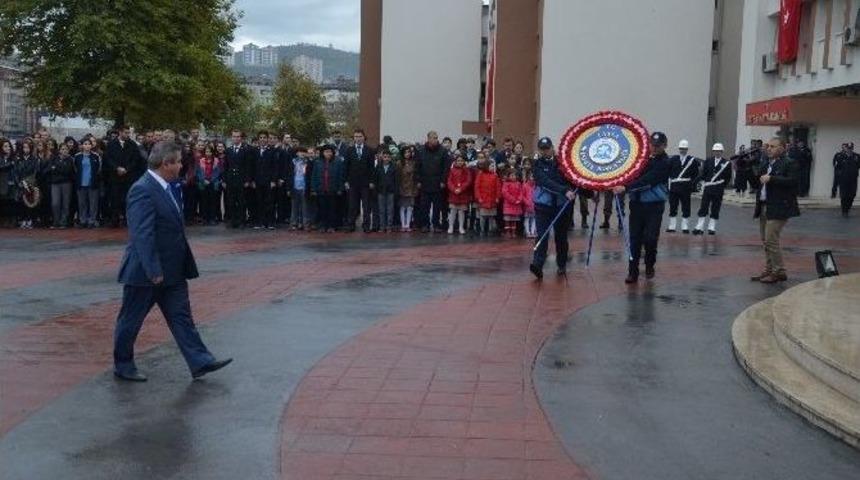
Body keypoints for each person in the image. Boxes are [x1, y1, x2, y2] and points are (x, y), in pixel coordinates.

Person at [113, 141, 232, 382]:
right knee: (131, 320)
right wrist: (153, 269)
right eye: (177, 161)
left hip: (173, 271)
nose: (181, 166)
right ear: (165, 164)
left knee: (181, 317)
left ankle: (200, 360)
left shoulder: (168, 187)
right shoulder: (142, 189)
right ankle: (123, 364)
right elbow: (142, 234)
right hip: (146, 272)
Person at [612, 132, 671, 284]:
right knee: (634, 239)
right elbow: (629, 172)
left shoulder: (665, 162)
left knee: (650, 238)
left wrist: (625, 187)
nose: (654, 148)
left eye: (658, 146)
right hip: (637, 205)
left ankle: (650, 264)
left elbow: (647, 180)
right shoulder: (641, 159)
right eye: (652, 145)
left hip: (654, 206)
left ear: (665, 146)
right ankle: (633, 272)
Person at [751, 138, 800, 284]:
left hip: (780, 206)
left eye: (773, 146)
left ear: (782, 148)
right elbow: (756, 180)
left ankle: (778, 271)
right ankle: (769, 268)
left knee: (771, 240)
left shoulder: (789, 163)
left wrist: (771, 178)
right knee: (765, 241)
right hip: (764, 205)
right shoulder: (766, 163)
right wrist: (747, 167)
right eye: (768, 146)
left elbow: (792, 181)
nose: (769, 149)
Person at [529, 137, 579, 278]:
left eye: (547, 148)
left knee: (561, 237)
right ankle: (537, 265)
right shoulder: (537, 164)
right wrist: (564, 190)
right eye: (542, 149)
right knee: (542, 235)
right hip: (543, 206)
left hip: (562, 206)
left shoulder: (563, 163)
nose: (545, 152)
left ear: (552, 147)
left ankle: (561, 264)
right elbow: (544, 181)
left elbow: (574, 180)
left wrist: (590, 193)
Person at [105, 126, 144, 227]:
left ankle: (127, 219)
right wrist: (117, 168)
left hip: (128, 176)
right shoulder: (111, 144)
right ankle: (115, 219)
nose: (128, 135)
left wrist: (127, 169)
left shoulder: (132, 145)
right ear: (120, 132)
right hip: (115, 176)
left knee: (127, 198)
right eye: (126, 133)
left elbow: (136, 159)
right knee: (115, 198)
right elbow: (108, 158)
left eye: (129, 133)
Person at [693, 143, 732, 235]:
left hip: (718, 188)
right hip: (708, 187)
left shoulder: (726, 163)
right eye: (715, 151)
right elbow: (704, 173)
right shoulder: (708, 161)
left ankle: (711, 227)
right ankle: (699, 227)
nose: (717, 152)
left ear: (722, 152)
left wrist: (721, 185)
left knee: (715, 208)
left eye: (719, 151)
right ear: (713, 151)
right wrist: (699, 180)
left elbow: (728, 177)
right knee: (704, 207)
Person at [416, 131, 451, 233]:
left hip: (438, 183)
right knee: (424, 206)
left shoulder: (443, 151)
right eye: (434, 138)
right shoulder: (421, 150)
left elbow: (446, 168)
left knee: (437, 206)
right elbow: (417, 167)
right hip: (424, 182)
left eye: (436, 138)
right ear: (428, 138)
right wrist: (418, 180)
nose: (436, 140)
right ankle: (425, 224)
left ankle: (436, 224)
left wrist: (443, 181)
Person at [344, 129, 377, 232]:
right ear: (353, 138)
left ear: (364, 137)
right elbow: (346, 167)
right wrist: (346, 181)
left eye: (360, 136)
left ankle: (366, 226)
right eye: (356, 137)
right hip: (353, 182)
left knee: (366, 206)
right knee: (352, 205)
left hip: (365, 183)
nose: (358, 138)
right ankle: (351, 225)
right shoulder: (349, 150)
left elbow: (372, 167)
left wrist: (372, 181)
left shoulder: (370, 150)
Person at [666, 139, 699, 233]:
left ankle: (685, 227)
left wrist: (690, 183)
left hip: (685, 187)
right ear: (678, 149)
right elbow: (668, 172)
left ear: (687, 149)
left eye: (684, 148)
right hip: (674, 187)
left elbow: (695, 173)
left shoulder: (692, 160)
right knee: (673, 206)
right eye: (681, 148)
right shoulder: (673, 159)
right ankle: (672, 226)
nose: (682, 150)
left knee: (686, 206)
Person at [311, 144, 345, 233]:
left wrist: (340, 188)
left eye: (330, 151)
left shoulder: (338, 162)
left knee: (332, 209)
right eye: (326, 152)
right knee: (322, 209)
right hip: (321, 189)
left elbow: (341, 176)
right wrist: (313, 189)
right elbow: (314, 176)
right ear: (322, 153)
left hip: (333, 189)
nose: (328, 153)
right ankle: (323, 226)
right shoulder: (317, 162)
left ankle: (331, 226)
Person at [224, 130, 254, 229]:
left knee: (242, 201)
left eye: (238, 137)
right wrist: (224, 180)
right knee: (231, 201)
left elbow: (248, 166)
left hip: (241, 179)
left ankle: (242, 221)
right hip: (231, 179)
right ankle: (233, 220)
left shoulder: (246, 150)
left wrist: (247, 180)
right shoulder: (228, 150)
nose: (236, 138)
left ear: (241, 138)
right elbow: (226, 166)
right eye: (234, 136)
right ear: (231, 138)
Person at [74, 138, 102, 228]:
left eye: (88, 144)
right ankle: (83, 220)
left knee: (93, 203)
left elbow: (99, 169)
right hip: (81, 183)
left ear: (91, 145)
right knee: (82, 203)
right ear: (82, 146)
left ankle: (92, 220)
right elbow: (75, 168)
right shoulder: (77, 156)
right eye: (85, 144)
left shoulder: (96, 156)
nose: (87, 146)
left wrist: (95, 178)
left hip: (92, 183)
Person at [45, 143, 75, 228]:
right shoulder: (54, 158)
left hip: (67, 183)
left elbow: (67, 170)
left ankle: (63, 222)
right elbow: (50, 169)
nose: (64, 151)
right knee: (55, 203)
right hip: (55, 183)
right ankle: (56, 221)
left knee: (65, 203)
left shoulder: (70, 159)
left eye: (65, 149)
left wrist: (56, 168)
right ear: (59, 150)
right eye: (62, 149)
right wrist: (57, 168)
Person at [474, 154, 501, 237]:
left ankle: (490, 230)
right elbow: (477, 187)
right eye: (491, 166)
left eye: (493, 166)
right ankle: (482, 229)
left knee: (491, 216)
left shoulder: (495, 176)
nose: (493, 168)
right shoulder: (481, 174)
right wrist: (479, 197)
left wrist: (497, 197)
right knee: (483, 216)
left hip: (492, 199)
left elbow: (498, 187)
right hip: (483, 199)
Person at [446, 151, 473, 235]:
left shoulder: (467, 170)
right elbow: (449, 181)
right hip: (454, 194)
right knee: (453, 211)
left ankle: (461, 227)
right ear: (455, 161)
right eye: (458, 161)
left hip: (463, 194)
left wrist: (461, 189)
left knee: (462, 212)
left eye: (461, 160)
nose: (460, 162)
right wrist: (454, 189)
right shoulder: (452, 170)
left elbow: (468, 181)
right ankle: (451, 226)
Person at [287, 146, 313, 230]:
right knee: (294, 207)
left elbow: (311, 176)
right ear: (296, 153)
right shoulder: (293, 162)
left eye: (303, 152)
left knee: (305, 207)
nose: (301, 153)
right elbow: (289, 175)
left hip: (304, 187)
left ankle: (305, 224)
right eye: (299, 152)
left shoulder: (308, 163)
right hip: (294, 186)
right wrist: (288, 188)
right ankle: (294, 223)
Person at [196, 143, 222, 225]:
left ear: (212, 152)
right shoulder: (200, 160)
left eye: (210, 152)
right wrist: (204, 180)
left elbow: (217, 172)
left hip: (213, 183)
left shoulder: (216, 160)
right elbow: (198, 172)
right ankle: (204, 218)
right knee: (204, 201)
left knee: (213, 201)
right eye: (206, 152)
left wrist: (210, 180)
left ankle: (212, 218)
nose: (208, 153)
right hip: (203, 184)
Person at [375, 149, 398, 232]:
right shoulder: (378, 166)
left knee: (390, 210)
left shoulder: (394, 167)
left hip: (390, 191)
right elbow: (376, 179)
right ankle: (382, 226)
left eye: (388, 157)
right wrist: (376, 189)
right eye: (385, 157)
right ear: (382, 157)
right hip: (381, 191)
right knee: (381, 210)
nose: (386, 158)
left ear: (391, 158)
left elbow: (396, 180)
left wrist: (395, 191)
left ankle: (389, 226)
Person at [397, 145, 419, 232]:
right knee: (402, 207)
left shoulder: (413, 163)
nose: (407, 154)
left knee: (410, 207)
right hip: (402, 186)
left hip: (411, 186)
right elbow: (397, 176)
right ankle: (403, 225)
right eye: (405, 152)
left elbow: (415, 175)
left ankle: (408, 224)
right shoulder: (399, 163)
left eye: (409, 152)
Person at [837, 145, 859, 217]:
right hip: (843, 179)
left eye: (851, 148)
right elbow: (838, 167)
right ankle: (844, 211)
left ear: (852, 149)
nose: (849, 150)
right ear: (846, 149)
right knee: (843, 196)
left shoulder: (857, 156)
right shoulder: (841, 156)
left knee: (852, 195)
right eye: (848, 148)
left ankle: (848, 208)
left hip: (853, 179)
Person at [501, 169, 524, 239]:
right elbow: (505, 193)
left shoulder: (518, 183)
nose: (513, 177)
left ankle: (513, 232)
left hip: (516, 205)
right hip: (508, 204)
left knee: (514, 219)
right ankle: (508, 232)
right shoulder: (506, 184)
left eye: (515, 175)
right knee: (507, 219)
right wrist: (513, 200)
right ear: (508, 176)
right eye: (512, 175)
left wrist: (519, 199)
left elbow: (521, 192)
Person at [522, 171, 536, 238]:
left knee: (534, 219)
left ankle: (533, 232)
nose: (532, 178)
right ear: (528, 177)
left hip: (535, 206)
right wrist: (526, 202)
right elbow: (523, 195)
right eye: (531, 176)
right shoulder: (525, 185)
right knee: (527, 219)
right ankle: (528, 232)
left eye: (533, 177)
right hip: (527, 206)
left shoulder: (536, 186)